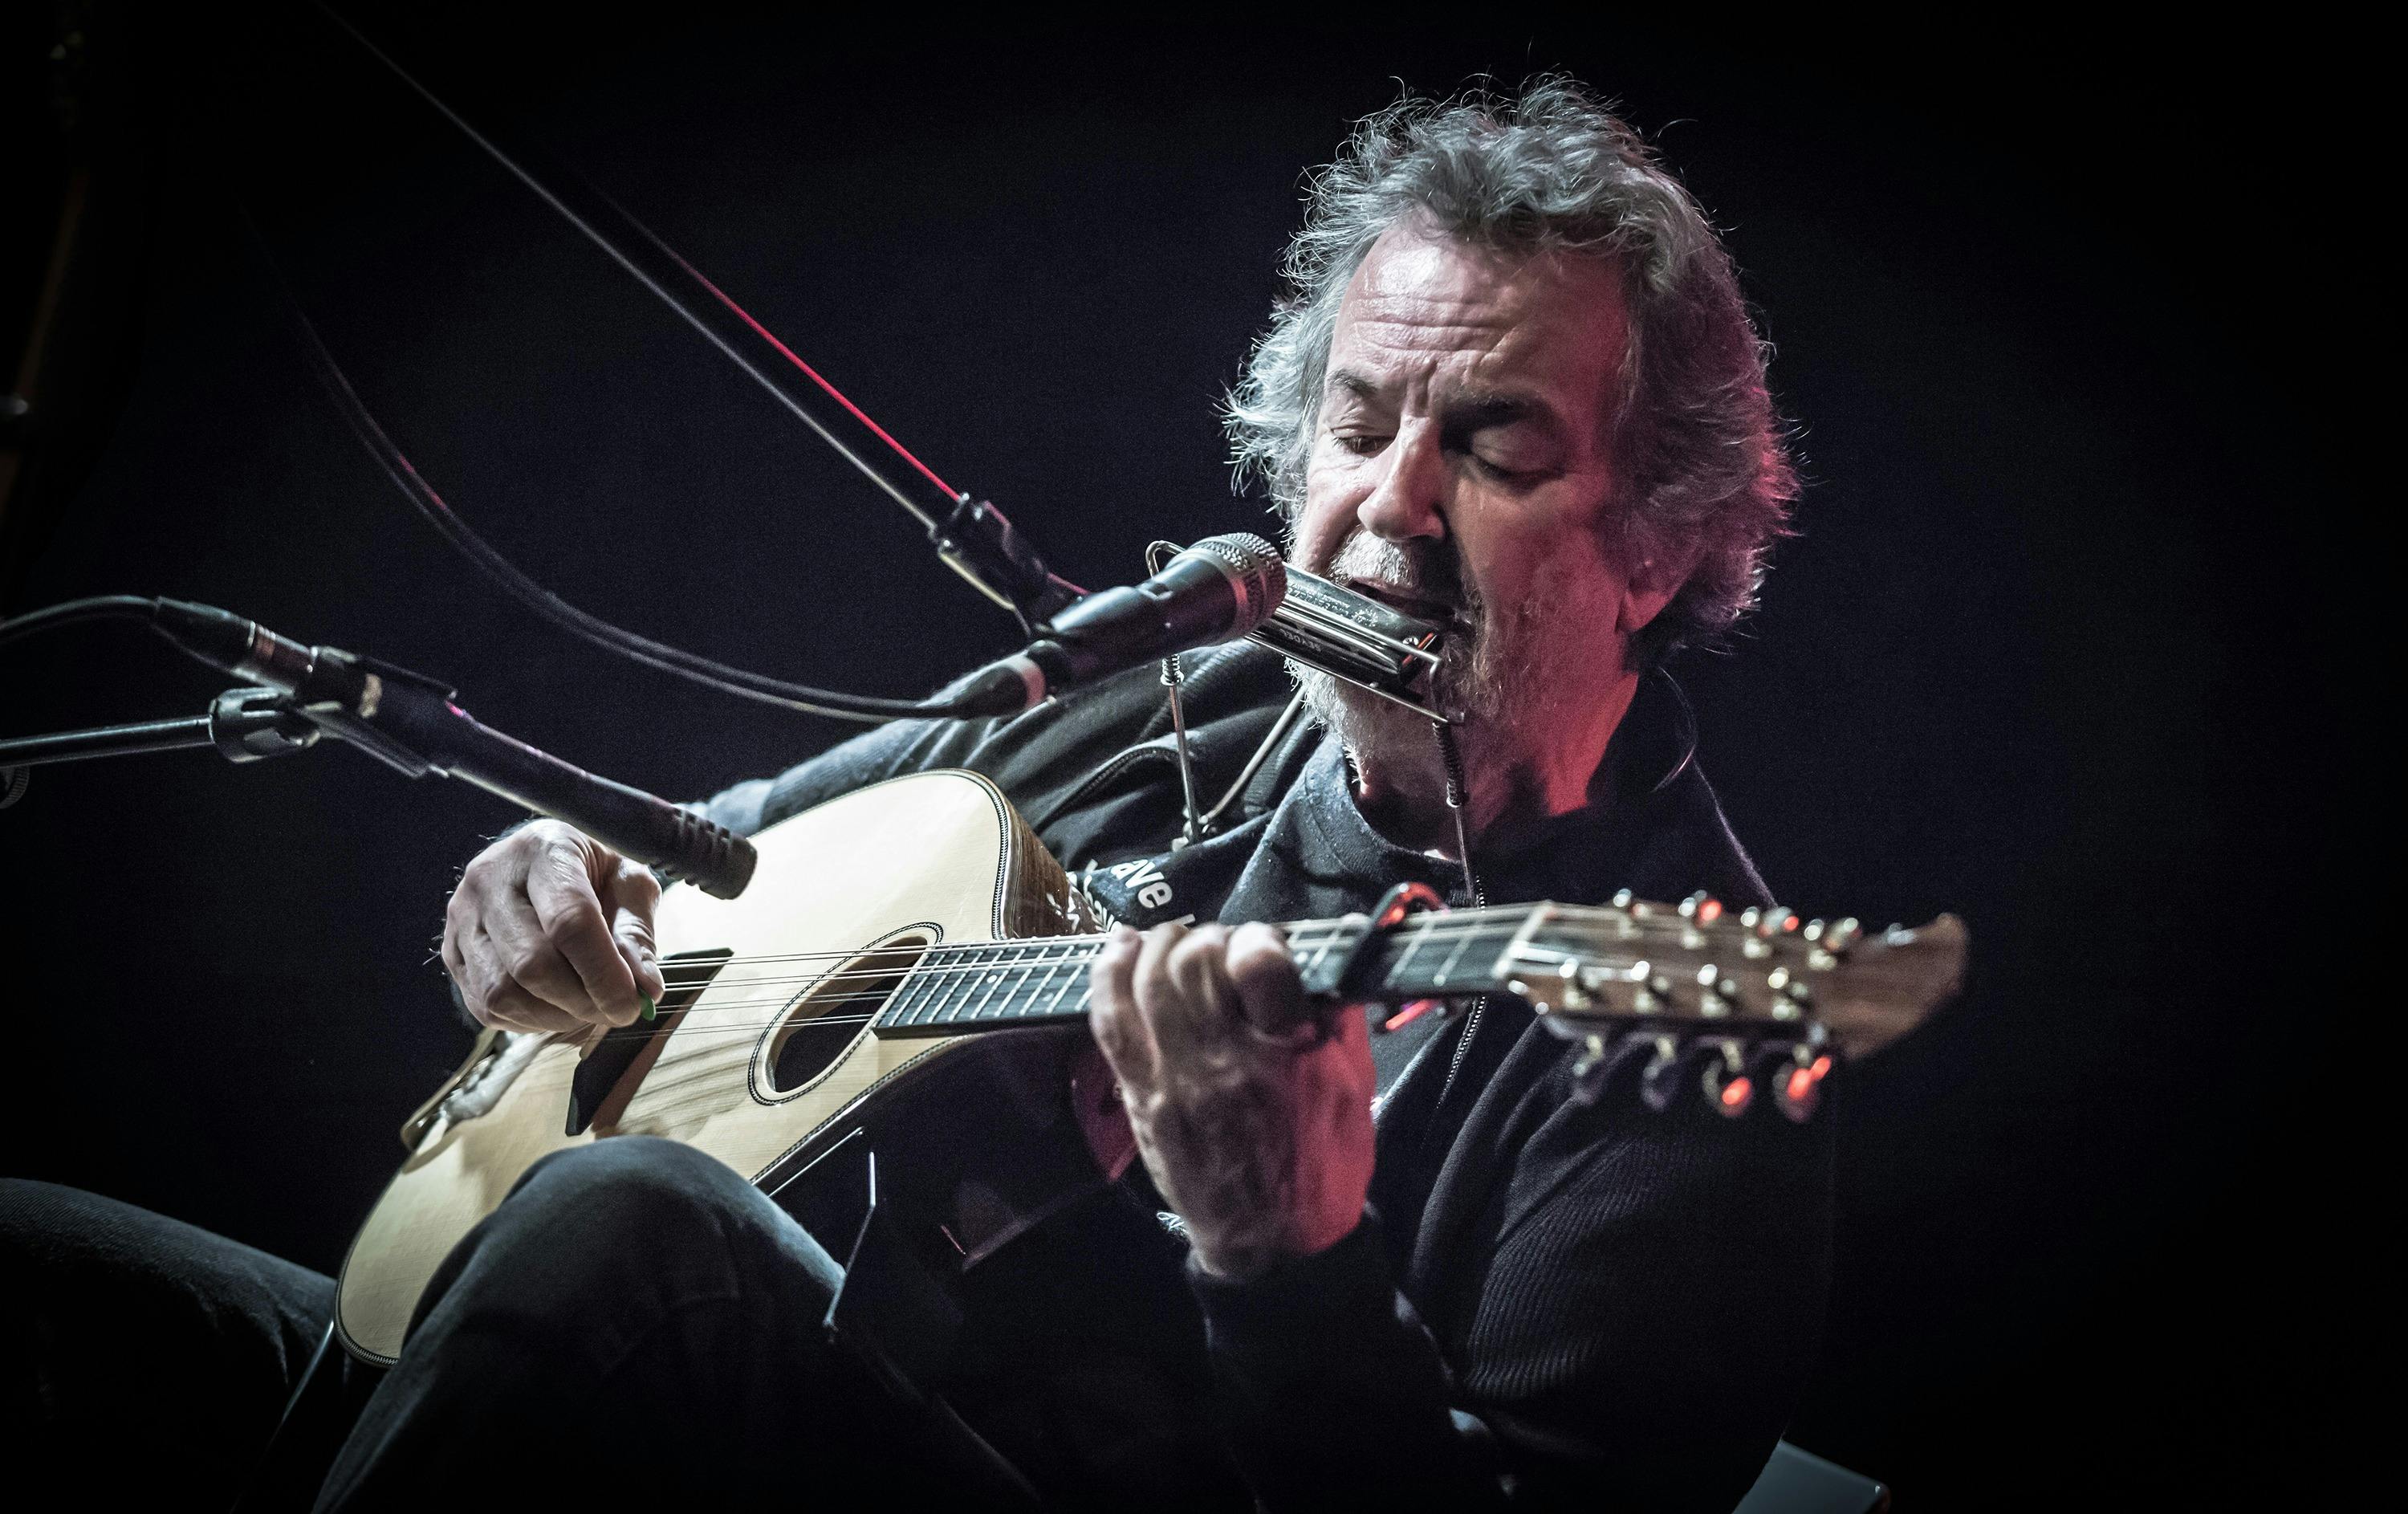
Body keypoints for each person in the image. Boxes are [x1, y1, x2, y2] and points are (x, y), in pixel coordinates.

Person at [2, 80, 1826, 1509]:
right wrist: (542, 875)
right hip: (666, 1396)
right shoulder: (1175, 694)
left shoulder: (1695, 1050)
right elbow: (708, 862)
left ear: (1660, 542)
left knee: (638, 1233)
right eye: (1358, 427)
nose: (1393, 504)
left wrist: (1289, 1262)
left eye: (1493, 446)